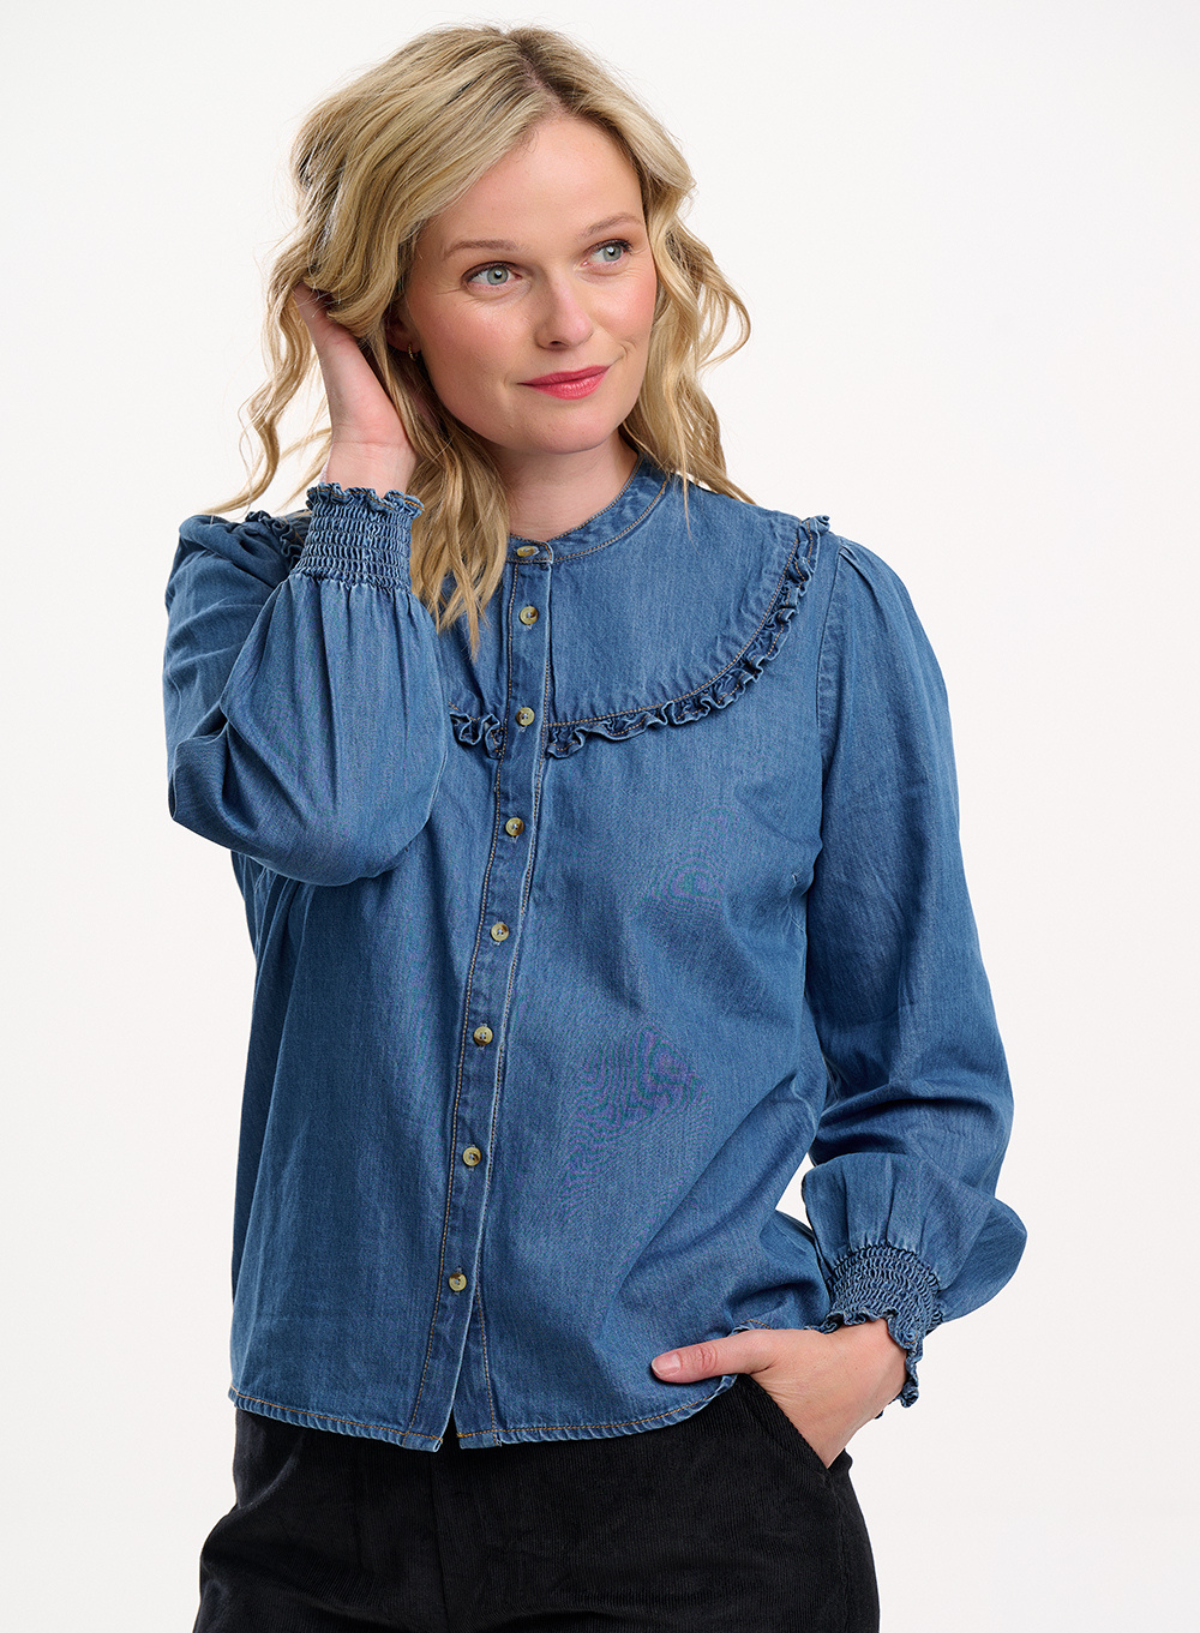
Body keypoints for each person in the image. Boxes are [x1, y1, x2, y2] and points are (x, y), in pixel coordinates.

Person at [162, 23, 1026, 1633]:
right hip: (321, 1504)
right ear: (384, 309)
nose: (572, 323)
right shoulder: (261, 598)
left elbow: (923, 1059)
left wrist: (871, 1340)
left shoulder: (822, 618)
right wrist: (366, 470)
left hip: (695, 1493)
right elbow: (329, 813)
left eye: (608, 251)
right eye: (494, 272)